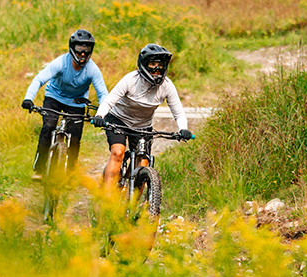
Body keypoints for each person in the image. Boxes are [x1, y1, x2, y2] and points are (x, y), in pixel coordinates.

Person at [91, 43, 193, 190]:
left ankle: (131, 206)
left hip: (143, 126)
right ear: (144, 64)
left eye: (160, 65)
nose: (157, 69)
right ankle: (105, 199)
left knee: (143, 162)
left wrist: (183, 129)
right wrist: (100, 115)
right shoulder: (130, 80)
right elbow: (109, 100)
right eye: (152, 64)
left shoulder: (167, 86)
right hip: (118, 120)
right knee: (118, 152)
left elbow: (178, 112)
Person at [22, 29, 108, 179]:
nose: (83, 54)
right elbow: (39, 79)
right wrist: (28, 98)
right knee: (48, 127)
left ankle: (70, 173)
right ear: (72, 48)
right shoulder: (61, 63)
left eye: (86, 50)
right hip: (54, 97)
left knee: (75, 137)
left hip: (77, 102)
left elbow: (103, 94)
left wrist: (102, 114)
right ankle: (40, 168)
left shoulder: (92, 69)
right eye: (80, 49)